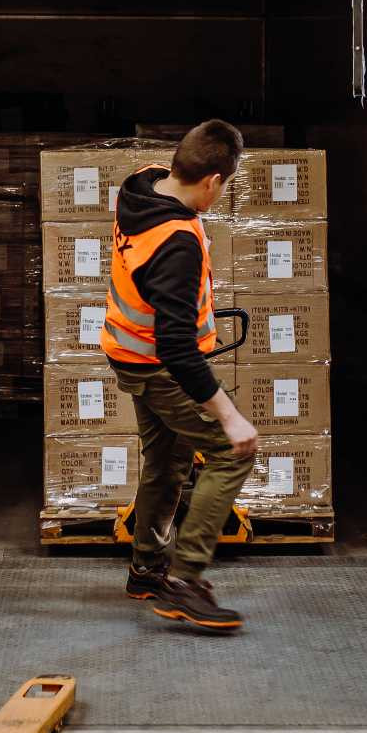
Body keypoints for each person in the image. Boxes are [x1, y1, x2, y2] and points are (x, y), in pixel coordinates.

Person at [104, 120, 258, 632]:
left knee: (165, 463)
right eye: (226, 184)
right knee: (230, 453)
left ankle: (146, 571)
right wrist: (229, 416)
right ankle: (186, 580)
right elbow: (177, 349)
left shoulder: (143, 184)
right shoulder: (177, 242)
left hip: (129, 356)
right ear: (212, 180)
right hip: (160, 366)